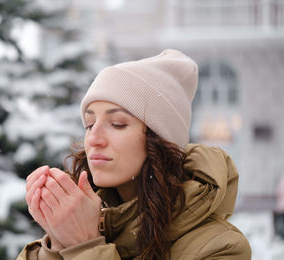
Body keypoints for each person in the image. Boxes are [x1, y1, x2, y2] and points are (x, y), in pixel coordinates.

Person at [17, 49, 252, 259]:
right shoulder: (88, 223)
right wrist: (58, 243)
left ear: (160, 141)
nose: (94, 139)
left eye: (117, 124)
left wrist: (84, 247)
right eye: (89, 124)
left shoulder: (222, 247)